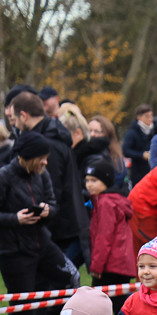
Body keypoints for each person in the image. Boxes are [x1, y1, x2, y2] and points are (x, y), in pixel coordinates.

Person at [0, 131, 78, 315]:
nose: (45, 161)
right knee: (23, 302)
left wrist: (47, 211)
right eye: (41, 157)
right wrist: (15, 219)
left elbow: (54, 205)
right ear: (26, 156)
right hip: (13, 250)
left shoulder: (42, 175)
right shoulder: (4, 176)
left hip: (42, 242)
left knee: (71, 277)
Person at [9, 92, 89, 267]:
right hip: (63, 225)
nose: (15, 124)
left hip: (59, 229)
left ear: (24, 115)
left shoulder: (47, 144)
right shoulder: (53, 136)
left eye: (15, 118)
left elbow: (51, 188)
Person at [84, 160, 134, 314]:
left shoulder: (106, 203)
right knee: (117, 304)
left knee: (99, 304)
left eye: (94, 180)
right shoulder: (108, 201)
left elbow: (103, 237)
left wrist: (96, 266)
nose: (89, 185)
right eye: (87, 181)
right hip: (120, 264)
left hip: (111, 265)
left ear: (105, 182)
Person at [88, 115, 127, 189]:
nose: (92, 134)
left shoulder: (114, 155)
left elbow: (118, 179)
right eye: (89, 131)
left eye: (96, 131)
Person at [122, 104, 155, 187]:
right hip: (138, 172)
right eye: (147, 116)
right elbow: (125, 150)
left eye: (151, 116)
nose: (150, 119)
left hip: (152, 169)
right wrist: (141, 155)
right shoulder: (132, 133)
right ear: (139, 117)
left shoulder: (154, 129)